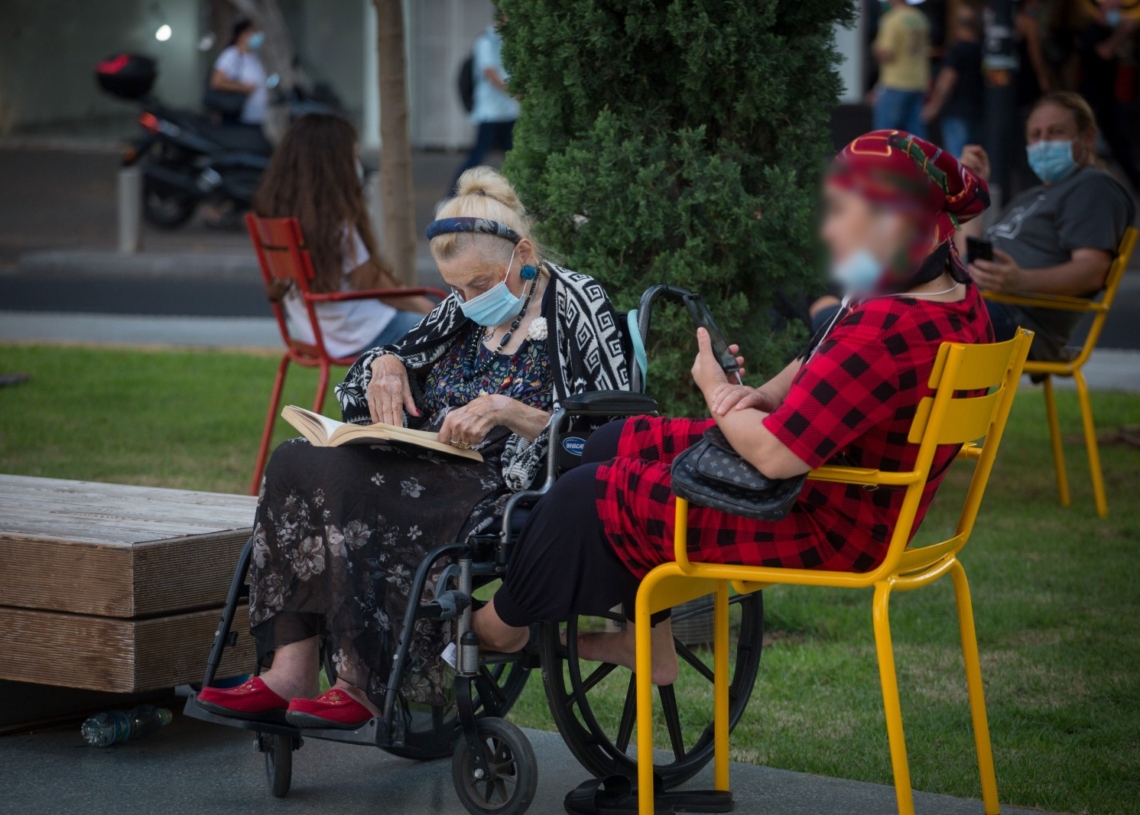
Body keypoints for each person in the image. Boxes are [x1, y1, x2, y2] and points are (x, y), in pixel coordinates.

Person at [472, 131, 995, 685]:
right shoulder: (946, 296)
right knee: (613, 440)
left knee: (584, 496)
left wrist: (717, 393)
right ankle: (646, 637)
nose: (830, 230)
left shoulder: (886, 332)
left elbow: (773, 454)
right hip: (850, 495)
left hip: (821, 520)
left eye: (844, 213)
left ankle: (499, 627)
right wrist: (764, 393)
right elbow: (819, 357)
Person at [197, 167, 631, 727]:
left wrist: (509, 411)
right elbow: (359, 386)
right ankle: (290, 670)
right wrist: (387, 364)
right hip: (424, 461)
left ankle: (359, 681)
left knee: (351, 488)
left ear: (522, 253)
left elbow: (609, 430)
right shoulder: (462, 309)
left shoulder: (575, 301)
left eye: (478, 285)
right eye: (454, 287)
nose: (466, 300)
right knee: (294, 461)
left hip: (500, 481)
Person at [957, 92, 1136, 361]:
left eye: (1056, 132)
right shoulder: (1032, 196)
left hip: (1019, 321)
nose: (1043, 143)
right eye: (1036, 135)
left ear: (1088, 137)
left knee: (907, 318)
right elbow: (966, 256)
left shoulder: (1093, 186)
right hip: (980, 301)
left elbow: (1092, 270)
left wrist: (1019, 281)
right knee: (885, 305)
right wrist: (973, 188)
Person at [254, 114, 433, 358]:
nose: (356, 165)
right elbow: (374, 283)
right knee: (458, 335)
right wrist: (427, 308)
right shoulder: (333, 224)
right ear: (335, 164)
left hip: (322, 337)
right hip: (369, 333)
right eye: (353, 156)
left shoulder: (276, 222)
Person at [447, 16, 519, 195]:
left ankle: (516, 197)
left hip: (509, 111)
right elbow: (490, 73)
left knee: (514, 158)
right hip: (490, 113)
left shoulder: (511, 39)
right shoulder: (486, 41)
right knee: (476, 157)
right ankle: (452, 195)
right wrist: (515, 91)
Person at [1076, 0, 1140, 192]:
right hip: (1093, 101)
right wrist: (1123, 32)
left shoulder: (1109, 31)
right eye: (1114, 9)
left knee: (1118, 144)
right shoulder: (1092, 31)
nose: (1117, 13)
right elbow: (1104, 52)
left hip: (1106, 99)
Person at [922, 4, 985, 158]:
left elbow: (947, 80)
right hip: (976, 110)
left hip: (956, 111)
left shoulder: (956, 49)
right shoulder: (981, 49)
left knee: (958, 158)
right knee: (972, 156)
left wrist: (934, 106)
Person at [872, 0, 932, 138]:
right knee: (916, 136)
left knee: (885, 136)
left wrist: (874, 49)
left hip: (896, 82)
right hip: (918, 81)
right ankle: (920, 160)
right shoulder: (920, 17)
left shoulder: (892, 19)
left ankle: (886, 161)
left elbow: (886, 53)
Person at [209, 18, 268, 127]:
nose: (257, 35)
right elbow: (216, 82)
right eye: (253, 31)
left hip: (255, 118)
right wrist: (243, 87)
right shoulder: (231, 55)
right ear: (241, 35)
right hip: (237, 119)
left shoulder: (253, 57)